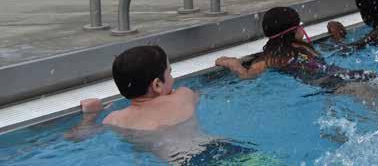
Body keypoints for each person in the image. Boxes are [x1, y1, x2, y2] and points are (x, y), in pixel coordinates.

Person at [70, 46, 258, 163]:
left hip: (184, 161)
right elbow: (201, 95)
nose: (173, 78)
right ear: (157, 85)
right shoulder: (182, 96)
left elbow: (77, 137)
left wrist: (90, 116)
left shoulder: (115, 119)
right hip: (223, 148)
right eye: (170, 73)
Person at [215, 7, 376, 90]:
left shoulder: (269, 60)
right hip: (348, 75)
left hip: (332, 86)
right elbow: (336, 51)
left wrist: (233, 63)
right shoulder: (306, 48)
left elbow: (246, 76)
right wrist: (337, 37)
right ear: (295, 31)